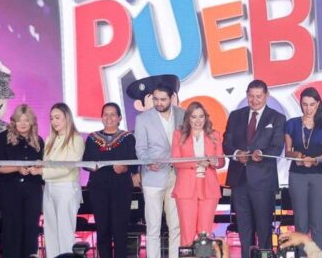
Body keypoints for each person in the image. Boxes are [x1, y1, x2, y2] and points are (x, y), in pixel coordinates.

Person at [223, 79, 286, 255]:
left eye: (259, 96)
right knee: (243, 229)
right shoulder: (235, 115)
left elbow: (277, 147)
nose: (254, 100)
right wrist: (237, 154)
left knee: (264, 228)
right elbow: (226, 144)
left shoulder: (277, 117)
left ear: (267, 96)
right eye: (251, 96)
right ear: (246, 95)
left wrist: (261, 153)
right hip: (239, 181)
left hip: (263, 182)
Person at [131, 75, 185, 258]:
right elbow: (140, 149)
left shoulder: (183, 114)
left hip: (177, 177)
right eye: (155, 99)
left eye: (163, 99)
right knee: (153, 227)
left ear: (172, 98)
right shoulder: (143, 119)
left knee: (175, 226)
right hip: (153, 178)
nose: (159, 103)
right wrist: (148, 162)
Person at [285, 87, 322, 253]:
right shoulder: (292, 123)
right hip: (297, 175)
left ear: (318, 104)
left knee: (318, 222)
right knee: (300, 222)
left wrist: (314, 160)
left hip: (320, 175)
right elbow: (287, 152)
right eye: (305, 104)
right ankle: (301, 255)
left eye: (312, 104)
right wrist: (297, 155)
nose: (308, 108)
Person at [83, 102, 138, 258]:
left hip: (121, 189)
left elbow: (135, 162)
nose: (109, 117)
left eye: (113, 114)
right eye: (106, 114)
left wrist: (125, 168)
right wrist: (91, 167)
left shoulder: (128, 138)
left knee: (120, 229)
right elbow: (85, 162)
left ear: (119, 118)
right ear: (101, 117)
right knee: (102, 229)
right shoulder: (92, 138)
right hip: (98, 189)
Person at [30, 102, 85, 258]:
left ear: (67, 118)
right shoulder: (50, 140)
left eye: (57, 117)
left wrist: (41, 171)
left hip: (66, 188)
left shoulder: (76, 139)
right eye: (52, 118)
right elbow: (48, 163)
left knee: (65, 231)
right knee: (50, 231)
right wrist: (39, 166)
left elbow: (67, 168)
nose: (54, 121)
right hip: (49, 188)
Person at [0, 104, 45, 258]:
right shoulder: (3, 138)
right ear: (14, 121)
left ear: (32, 122)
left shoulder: (38, 140)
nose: (23, 124)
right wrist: (17, 168)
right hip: (10, 192)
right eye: (19, 120)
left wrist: (37, 168)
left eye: (26, 120)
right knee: (11, 231)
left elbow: (43, 166)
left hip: (32, 192)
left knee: (31, 230)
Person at [171, 101, 225, 246]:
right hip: (186, 189)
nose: (198, 120)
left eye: (201, 116)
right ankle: (188, 255)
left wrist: (214, 162)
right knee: (187, 233)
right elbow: (175, 161)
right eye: (194, 117)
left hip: (209, 188)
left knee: (205, 233)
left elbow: (221, 161)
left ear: (205, 118)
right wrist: (197, 163)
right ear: (188, 118)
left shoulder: (214, 135)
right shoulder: (178, 135)